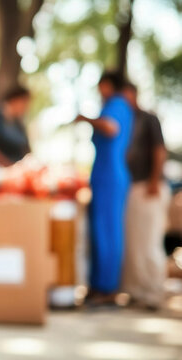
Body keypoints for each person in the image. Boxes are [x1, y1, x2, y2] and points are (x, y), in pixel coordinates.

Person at [74, 72, 134, 305]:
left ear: (108, 85)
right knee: (100, 231)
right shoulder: (114, 105)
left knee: (107, 232)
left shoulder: (117, 104)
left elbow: (111, 128)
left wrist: (86, 119)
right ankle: (98, 285)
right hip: (104, 175)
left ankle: (107, 288)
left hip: (110, 175)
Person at [120, 82, 169, 311]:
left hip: (149, 187)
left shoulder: (148, 119)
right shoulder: (126, 121)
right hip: (131, 187)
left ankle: (153, 291)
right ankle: (136, 291)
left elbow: (159, 150)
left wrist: (153, 181)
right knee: (133, 243)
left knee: (148, 242)